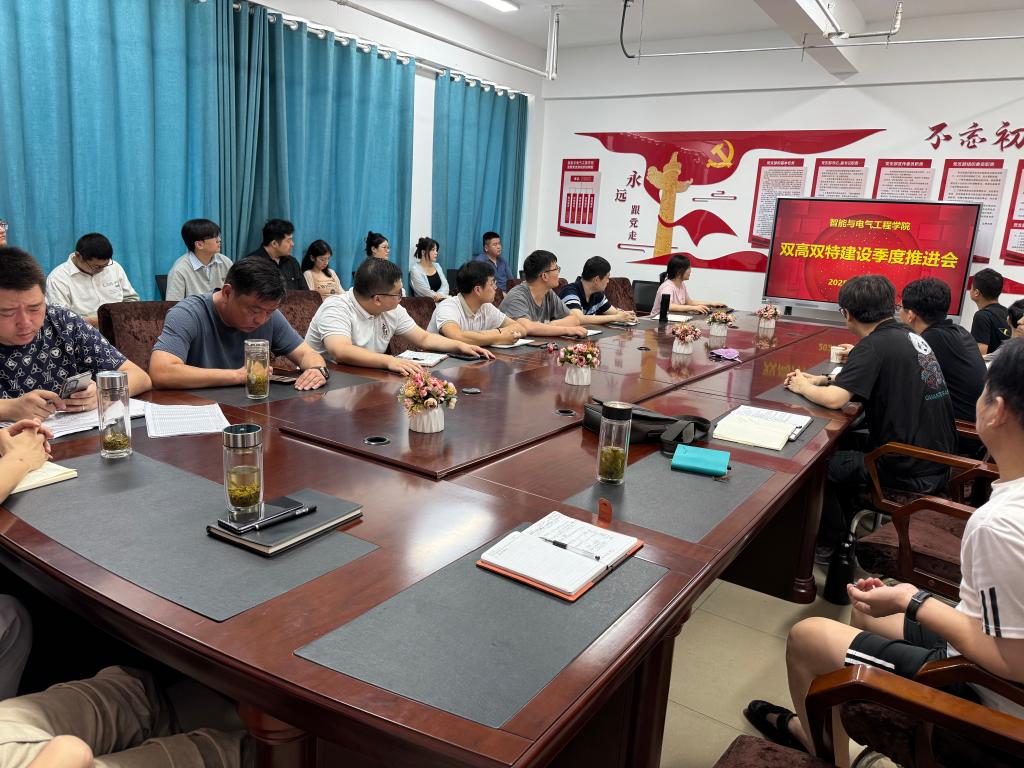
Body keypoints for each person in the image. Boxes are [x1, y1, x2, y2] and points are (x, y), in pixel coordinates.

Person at [746, 338, 1024, 763]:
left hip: (990, 697)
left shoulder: (1001, 524)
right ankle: (832, 726)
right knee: (867, 612)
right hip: (989, 646)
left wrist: (912, 599)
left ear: (998, 410)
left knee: (807, 637)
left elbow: (1012, 661)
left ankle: (822, 751)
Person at [783, 275, 956, 561]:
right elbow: (865, 379)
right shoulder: (906, 335)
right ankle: (840, 524)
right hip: (935, 458)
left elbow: (836, 400)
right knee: (844, 442)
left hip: (906, 466)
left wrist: (802, 386)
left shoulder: (874, 345)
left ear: (847, 314)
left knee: (815, 466)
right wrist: (822, 380)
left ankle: (828, 544)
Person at [0, 248, 151, 421]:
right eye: (8, 312)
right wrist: (9, 408)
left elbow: (140, 377)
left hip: (70, 433)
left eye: (34, 308)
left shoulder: (62, 322)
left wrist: (104, 393)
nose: (25, 322)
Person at [149, 258, 328, 391]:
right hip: (199, 410)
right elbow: (161, 372)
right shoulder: (188, 314)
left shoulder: (270, 316)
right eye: (254, 310)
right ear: (227, 292)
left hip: (251, 407)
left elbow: (306, 353)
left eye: (269, 312)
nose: (261, 320)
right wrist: (237, 376)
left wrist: (317, 370)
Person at [305, 258, 492, 376]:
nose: (401, 297)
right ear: (377, 299)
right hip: (324, 383)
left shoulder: (392, 309)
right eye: (397, 294)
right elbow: (341, 351)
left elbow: (423, 338)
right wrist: (390, 361)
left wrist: (460, 346)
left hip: (363, 378)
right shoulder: (336, 307)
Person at [899, 277, 986, 422]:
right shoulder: (958, 331)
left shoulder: (928, 341)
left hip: (959, 428)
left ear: (910, 315)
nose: (899, 312)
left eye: (900, 307)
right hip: (976, 422)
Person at [45, 233, 139, 328]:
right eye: (97, 267)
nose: (102, 269)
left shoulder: (114, 267)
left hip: (120, 328)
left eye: (106, 265)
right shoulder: (58, 279)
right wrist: (96, 321)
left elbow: (132, 300)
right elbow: (60, 319)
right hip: (83, 332)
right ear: (78, 256)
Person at [427, 261, 525, 346]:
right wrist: (499, 337)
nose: (495, 288)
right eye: (492, 284)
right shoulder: (448, 306)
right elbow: (456, 336)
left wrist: (496, 332)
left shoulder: (486, 307)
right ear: (478, 290)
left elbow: (520, 328)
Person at [498, 250, 586, 338]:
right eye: (556, 269)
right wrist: (567, 330)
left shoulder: (548, 293)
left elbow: (574, 319)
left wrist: (552, 325)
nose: (558, 272)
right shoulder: (517, 296)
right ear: (544, 276)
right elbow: (527, 327)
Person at [166, 219, 232, 302]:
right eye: (214, 237)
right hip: (193, 310)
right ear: (199, 244)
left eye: (218, 236)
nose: (219, 240)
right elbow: (173, 305)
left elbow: (235, 294)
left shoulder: (225, 262)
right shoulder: (179, 270)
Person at [559, 256, 636, 325]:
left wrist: (626, 315)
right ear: (596, 280)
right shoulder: (569, 292)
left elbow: (614, 312)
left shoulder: (597, 294)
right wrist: (616, 318)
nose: (608, 281)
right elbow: (578, 318)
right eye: (607, 278)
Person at [648, 254, 722, 316]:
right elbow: (669, 306)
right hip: (657, 321)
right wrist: (693, 308)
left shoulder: (681, 284)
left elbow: (690, 302)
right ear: (679, 271)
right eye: (688, 268)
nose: (690, 271)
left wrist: (711, 304)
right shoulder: (667, 287)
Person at [244, 219, 303, 291]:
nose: (292, 244)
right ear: (274, 243)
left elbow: (306, 293)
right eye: (288, 240)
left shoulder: (292, 262)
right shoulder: (251, 263)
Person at [969, 267, 1011, 355]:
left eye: (971, 287)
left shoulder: (981, 316)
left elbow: (979, 356)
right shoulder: (1008, 313)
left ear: (976, 292)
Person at [409, 237, 449, 302]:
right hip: (425, 305)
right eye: (433, 250)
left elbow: (445, 286)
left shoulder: (437, 266)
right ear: (423, 252)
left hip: (442, 301)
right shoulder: (415, 270)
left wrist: (441, 295)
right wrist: (437, 296)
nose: (436, 253)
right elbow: (423, 291)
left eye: (436, 250)